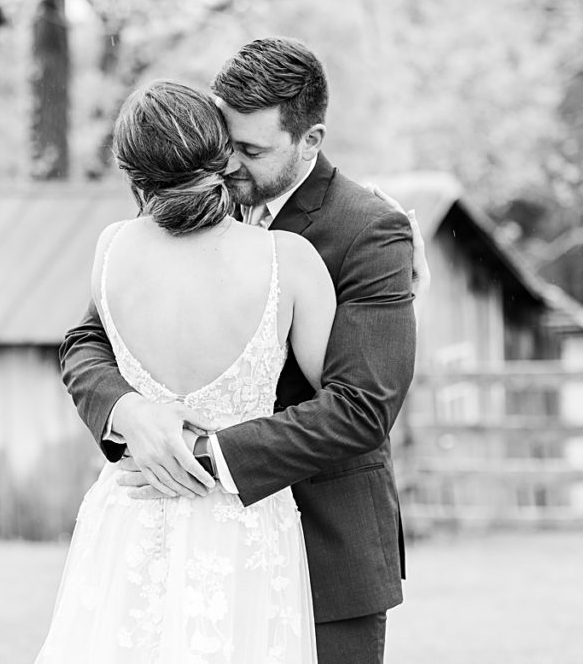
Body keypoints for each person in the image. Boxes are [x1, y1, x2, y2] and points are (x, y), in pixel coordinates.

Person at [59, 37, 422, 664]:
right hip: (168, 543)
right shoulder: (154, 229)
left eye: (252, 152)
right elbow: (87, 339)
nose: (228, 170)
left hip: (323, 545)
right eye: (225, 146)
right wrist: (128, 412)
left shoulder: (370, 229)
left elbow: (364, 406)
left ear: (310, 140)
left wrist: (203, 454)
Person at [36, 79, 336, 663]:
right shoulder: (288, 260)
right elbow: (342, 395)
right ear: (221, 154)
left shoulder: (111, 248)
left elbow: (85, 344)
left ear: (132, 173)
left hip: (130, 510)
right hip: (243, 521)